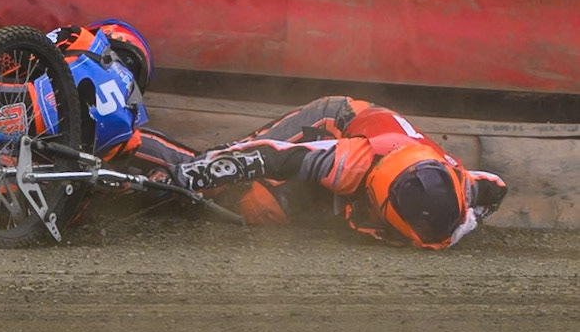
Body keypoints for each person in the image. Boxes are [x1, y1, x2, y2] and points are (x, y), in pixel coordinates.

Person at [148, 95, 509, 250]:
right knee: (214, 168)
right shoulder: (350, 163)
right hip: (332, 122)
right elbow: (271, 157)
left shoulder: (466, 189)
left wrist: (470, 217)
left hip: (361, 164)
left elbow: (497, 188)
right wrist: (195, 176)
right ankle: (136, 149)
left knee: (262, 208)